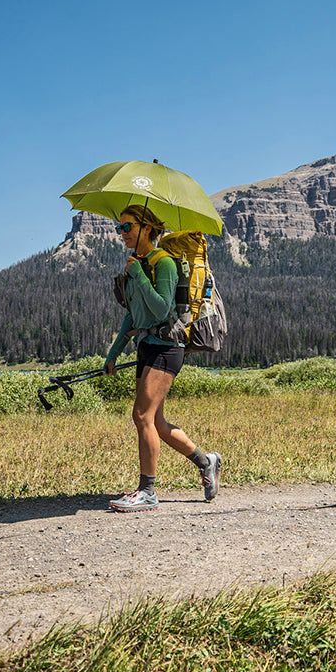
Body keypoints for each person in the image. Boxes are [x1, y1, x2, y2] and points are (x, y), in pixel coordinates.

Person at [103, 204, 222, 512]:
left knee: (141, 416)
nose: (122, 233)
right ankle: (206, 461)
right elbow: (134, 315)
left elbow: (160, 310)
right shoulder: (138, 263)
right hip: (146, 346)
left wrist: (139, 275)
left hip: (167, 347)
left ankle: (148, 491)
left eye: (127, 227)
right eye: (120, 228)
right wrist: (114, 353)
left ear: (146, 228)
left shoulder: (164, 263)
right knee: (155, 420)